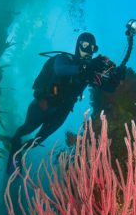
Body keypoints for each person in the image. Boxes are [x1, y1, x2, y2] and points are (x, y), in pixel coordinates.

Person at [7, 32, 125, 172]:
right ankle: (15, 143)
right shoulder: (63, 58)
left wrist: (117, 77)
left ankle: (19, 152)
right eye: (85, 46)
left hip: (62, 112)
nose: (88, 51)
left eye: (92, 48)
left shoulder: (89, 71)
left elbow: (108, 87)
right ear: (77, 46)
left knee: (40, 139)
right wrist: (86, 68)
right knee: (28, 128)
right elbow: (60, 69)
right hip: (43, 103)